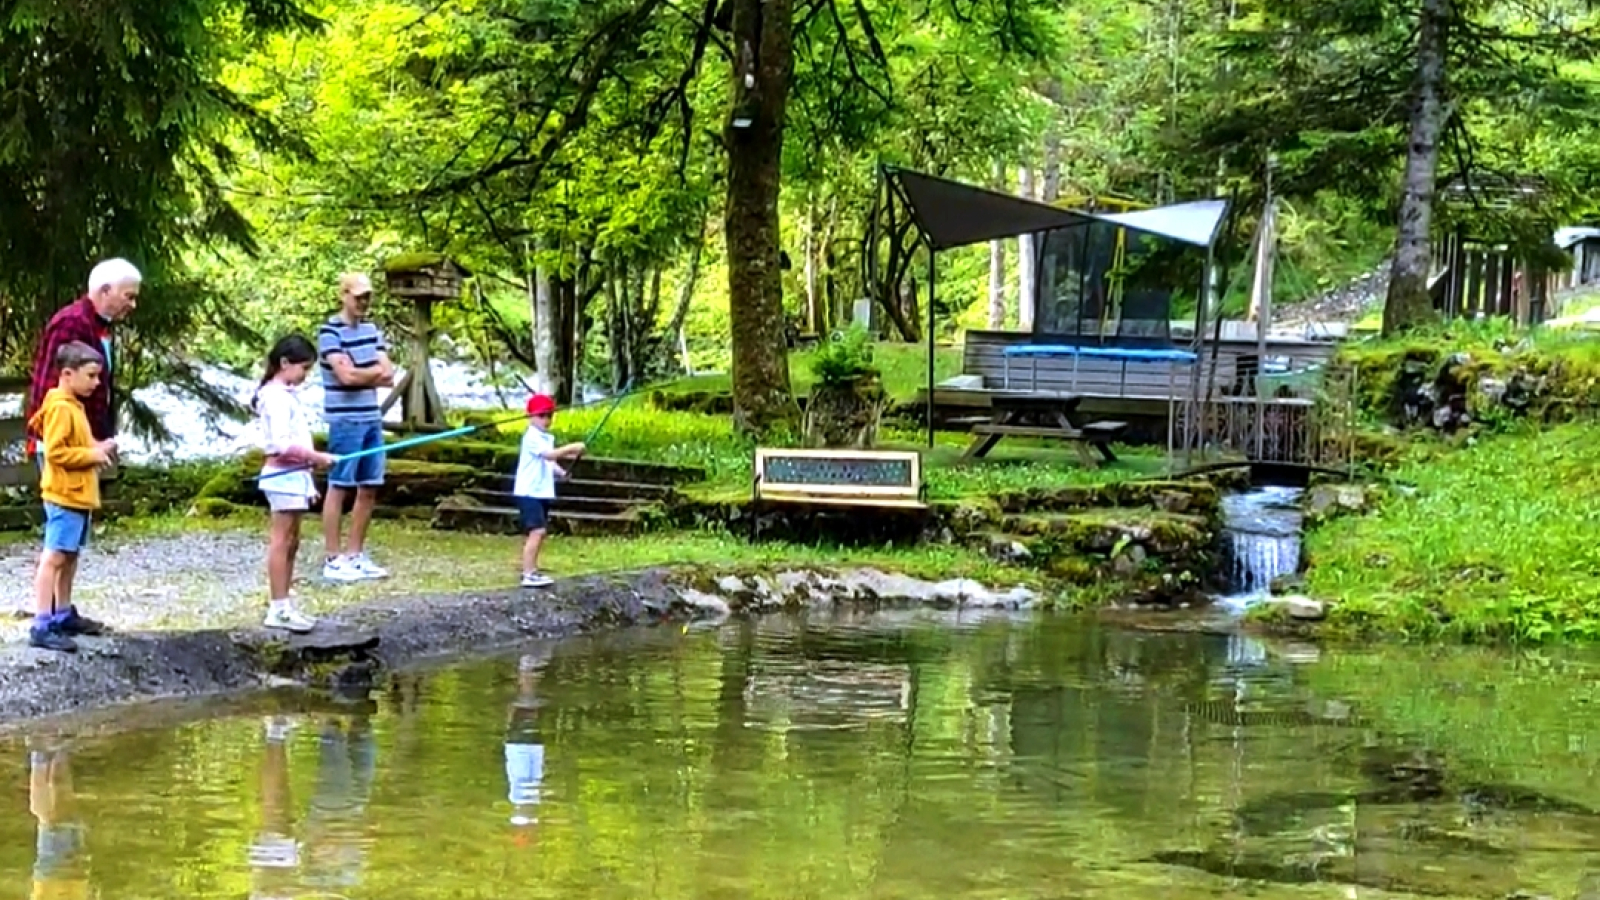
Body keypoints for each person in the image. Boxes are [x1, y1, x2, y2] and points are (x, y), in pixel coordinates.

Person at [23, 258, 139, 622]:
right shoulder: (72, 322)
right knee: (59, 540)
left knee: (73, 541)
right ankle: (46, 617)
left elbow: (97, 389)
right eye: (128, 296)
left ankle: (63, 610)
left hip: (85, 444)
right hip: (65, 446)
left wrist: (98, 441)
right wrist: (62, 440)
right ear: (105, 291)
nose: (132, 305)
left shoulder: (101, 326)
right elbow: (51, 386)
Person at [26, 342, 115, 653]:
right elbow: (58, 452)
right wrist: (92, 454)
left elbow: (82, 443)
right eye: (91, 376)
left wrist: (100, 448)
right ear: (67, 373)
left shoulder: (74, 404)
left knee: (71, 554)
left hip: (77, 497)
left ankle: (63, 613)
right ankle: (41, 622)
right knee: (54, 557)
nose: (96, 383)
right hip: (64, 495)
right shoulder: (61, 408)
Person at [255, 335, 338, 633]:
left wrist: (309, 476)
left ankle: (285, 604)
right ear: (285, 363)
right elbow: (280, 444)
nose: (306, 375)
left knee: (293, 541)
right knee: (282, 540)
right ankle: (277, 608)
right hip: (281, 476)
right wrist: (316, 456)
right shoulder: (275, 397)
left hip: (294, 476)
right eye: (304, 368)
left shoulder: (286, 394)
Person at [318, 273, 395, 583]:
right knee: (340, 484)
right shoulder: (329, 331)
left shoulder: (371, 330)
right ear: (344, 295)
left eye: (368, 297)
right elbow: (344, 377)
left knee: (370, 485)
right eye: (358, 296)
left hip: (371, 417)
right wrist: (371, 373)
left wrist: (364, 372)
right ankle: (333, 557)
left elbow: (389, 374)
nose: (363, 302)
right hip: (345, 419)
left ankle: (355, 553)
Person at [513, 394, 585, 588]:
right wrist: (573, 447)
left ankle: (533, 569)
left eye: (549, 416)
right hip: (529, 492)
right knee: (538, 531)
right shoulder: (531, 437)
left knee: (539, 532)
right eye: (542, 416)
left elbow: (549, 462)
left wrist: (561, 473)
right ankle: (528, 574)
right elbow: (549, 454)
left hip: (541, 491)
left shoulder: (544, 437)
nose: (546, 420)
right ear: (531, 416)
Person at [30, 741, 91, 900]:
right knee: (61, 812)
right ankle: (54, 749)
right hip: (71, 876)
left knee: (51, 820)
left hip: (56, 875)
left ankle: (43, 751)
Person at [505, 649, 551, 832]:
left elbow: (529, 776)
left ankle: (526, 668)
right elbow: (537, 774)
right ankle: (528, 669)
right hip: (527, 747)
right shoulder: (528, 798)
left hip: (521, 746)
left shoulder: (518, 797)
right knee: (529, 703)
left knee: (527, 703)